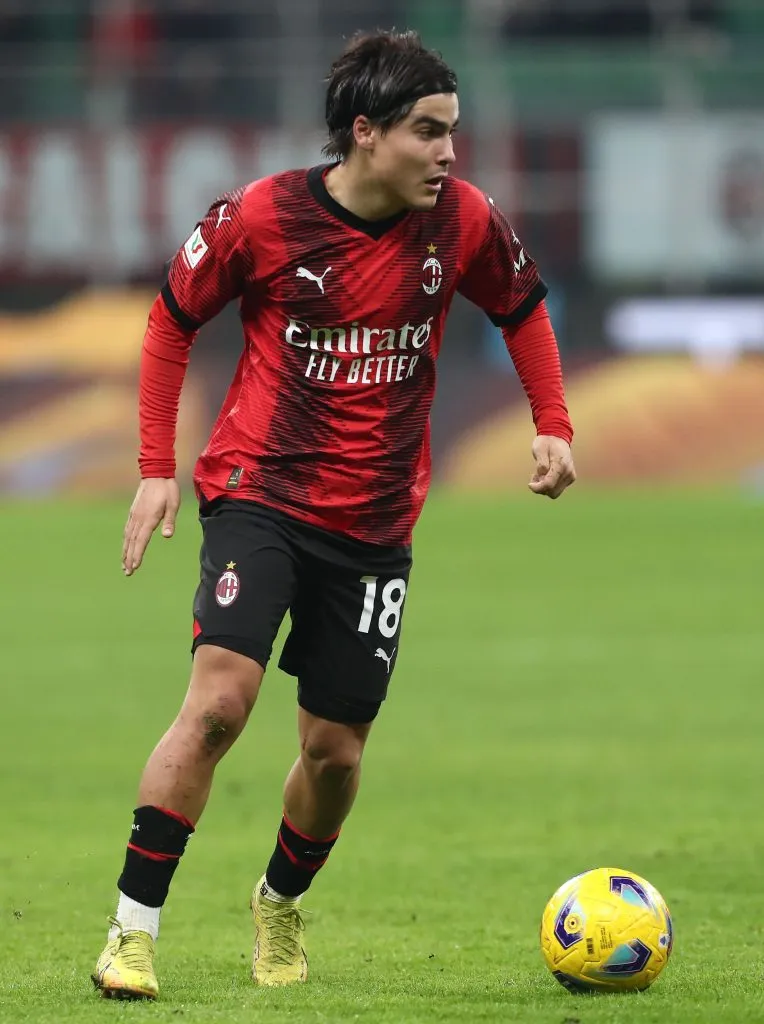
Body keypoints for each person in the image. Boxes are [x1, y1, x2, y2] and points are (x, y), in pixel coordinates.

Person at [91, 29, 576, 1001]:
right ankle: (131, 933)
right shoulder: (265, 218)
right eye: (428, 132)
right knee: (221, 702)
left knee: (334, 750)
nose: (448, 153)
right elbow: (171, 316)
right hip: (258, 492)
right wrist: (156, 468)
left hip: (374, 525)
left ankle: (277, 902)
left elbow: (519, 305)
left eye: (452, 132)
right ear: (364, 133)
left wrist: (552, 423)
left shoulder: (462, 223)